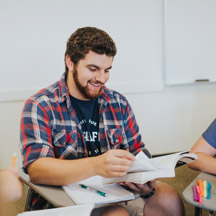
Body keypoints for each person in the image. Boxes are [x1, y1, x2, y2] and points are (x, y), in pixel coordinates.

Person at [20, 26, 185, 215]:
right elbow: (38, 169)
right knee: (116, 214)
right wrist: (95, 165)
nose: (101, 78)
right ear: (70, 62)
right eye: (93, 69)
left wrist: (145, 177)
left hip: (115, 192)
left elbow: (138, 152)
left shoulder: (118, 103)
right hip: (64, 199)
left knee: (168, 198)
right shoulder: (40, 105)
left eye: (107, 70)